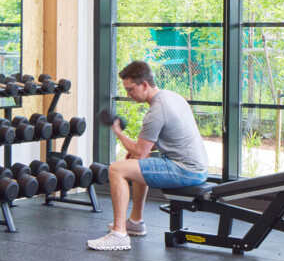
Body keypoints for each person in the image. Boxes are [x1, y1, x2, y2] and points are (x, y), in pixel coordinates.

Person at [87, 61, 209, 251]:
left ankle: (119, 235)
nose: (128, 95)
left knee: (116, 169)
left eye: (130, 89)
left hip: (186, 170)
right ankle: (135, 222)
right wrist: (139, 152)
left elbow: (140, 150)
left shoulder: (156, 111)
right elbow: (158, 146)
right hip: (195, 166)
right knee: (136, 161)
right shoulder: (171, 97)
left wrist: (117, 131)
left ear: (144, 85)